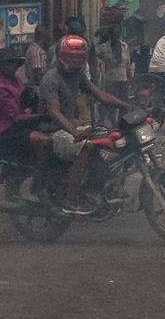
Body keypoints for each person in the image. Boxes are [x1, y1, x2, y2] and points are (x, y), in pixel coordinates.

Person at [33, 33, 135, 211]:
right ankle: (70, 199)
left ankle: (98, 187)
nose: (74, 61)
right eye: (70, 57)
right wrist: (74, 132)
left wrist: (127, 106)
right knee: (88, 146)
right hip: (53, 130)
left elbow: (100, 95)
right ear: (59, 57)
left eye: (78, 58)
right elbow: (54, 111)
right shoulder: (51, 79)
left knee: (110, 138)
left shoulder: (77, 76)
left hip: (71, 125)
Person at [0, 45, 37, 198]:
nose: (12, 66)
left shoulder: (17, 81)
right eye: (8, 63)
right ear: (1, 66)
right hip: (10, 130)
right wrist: (39, 115)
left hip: (23, 124)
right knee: (44, 142)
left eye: (14, 63)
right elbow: (15, 116)